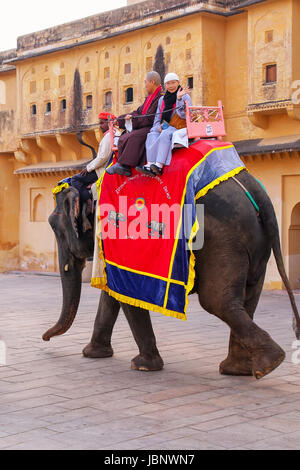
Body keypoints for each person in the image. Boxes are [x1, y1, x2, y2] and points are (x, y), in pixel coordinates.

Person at [106, 71, 163, 177]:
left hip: (152, 127)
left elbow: (150, 118)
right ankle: (124, 167)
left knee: (133, 136)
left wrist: (133, 120)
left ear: (152, 82)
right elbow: (138, 112)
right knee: (124, 137)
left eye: (146, 82)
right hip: (143, 125)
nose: (145, 85)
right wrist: (122, 118)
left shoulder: (160, 97)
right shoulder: (149, 98)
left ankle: (124, 165)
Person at [136, 73, 192, 177]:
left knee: (166, 134)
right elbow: (158, 117)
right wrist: (157, 127)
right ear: (165, 85)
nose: (171, 86)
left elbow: (185, 115)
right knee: (151, 134)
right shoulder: (162, 99)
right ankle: (150, 164)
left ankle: (159, 166)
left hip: (180, 126)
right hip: (165, 126)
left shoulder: (185, 96)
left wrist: (179, 99)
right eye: (168, 83)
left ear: (178, 83)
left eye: (173, 83)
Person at [72, 112, 120, 203]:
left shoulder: (109, 136)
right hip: (109, 166)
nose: (100, 126)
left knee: (75, 180)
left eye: (102, 123)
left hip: (103, 169)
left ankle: (88, 200)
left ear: (109, 122)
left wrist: (88, 168)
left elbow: (102, 158)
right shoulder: (116, 133)